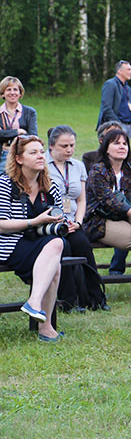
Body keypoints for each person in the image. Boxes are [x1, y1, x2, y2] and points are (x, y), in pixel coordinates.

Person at [0, 136, 66, 341]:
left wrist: (64, 223)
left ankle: (36, 306)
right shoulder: (5, 183)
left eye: (41, 152)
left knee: (57, 245)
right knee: (55, 264)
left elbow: (59, 215)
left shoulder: (51, 186)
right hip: (9, 243)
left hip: (40, 242)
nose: (40, 156)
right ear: (19, 159)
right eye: (33, 152)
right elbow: (1, 225)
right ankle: (44, 325)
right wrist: (34, 221)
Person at [83, 129, 131, 305]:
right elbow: (108, 200)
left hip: (127, 218)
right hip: (100, 221)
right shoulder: (98, 170)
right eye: (116, 143)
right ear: (106, 148)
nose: (122, 147)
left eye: (125, 143)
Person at [46, 126, 108, 313]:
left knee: (83, 245)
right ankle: (69, 301)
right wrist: (59, 222)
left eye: (72, 145)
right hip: (52, 224)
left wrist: (78, 222)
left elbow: (81, 200)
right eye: (64, 146)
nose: (69, 150)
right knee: (64, 247)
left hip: (73, 222)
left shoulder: (78, 166)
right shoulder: (42, 166)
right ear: (51, 146)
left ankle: (96, 297)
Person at [0, 76, 38, 164]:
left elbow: (33, 136)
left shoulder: (30, 112)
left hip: (22, 156)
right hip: (2, 156)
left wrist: (4, 134)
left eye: (15, 89)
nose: (12, 92)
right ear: (2, 94)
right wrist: (18, 132)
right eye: (8, 90)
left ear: (20, 93)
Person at [97, 60, 131, 136]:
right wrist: (118, 124)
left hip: (128, 126)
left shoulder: (128, 88)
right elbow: (106, 108)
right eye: (128, 70)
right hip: (115, 126)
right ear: (119, 71)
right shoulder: (110, 84)